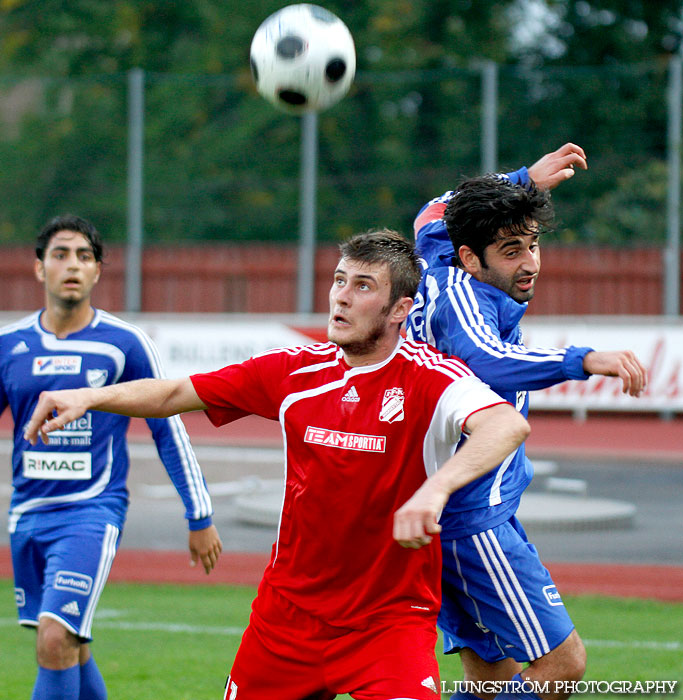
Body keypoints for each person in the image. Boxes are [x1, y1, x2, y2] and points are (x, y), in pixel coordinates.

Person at [25, 229, 530, 700]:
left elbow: (506, 426)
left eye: (362, 285)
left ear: (401, 308)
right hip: (287, 619)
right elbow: (177, 391)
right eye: (338, 280)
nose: (341, 296)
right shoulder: (294, 371)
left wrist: (434, 490)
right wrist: (88, 396)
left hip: (390, 625)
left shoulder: (432, 378)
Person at [406, 145, 647, 700]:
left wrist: (523, 181)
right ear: (471, 258)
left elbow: (431, 211)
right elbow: (489, 359)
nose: (531, 263)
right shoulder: (463, 299)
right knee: (562, 667)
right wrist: (583, 360)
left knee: (490, 682)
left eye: (533, 244)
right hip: (473, 520)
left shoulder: (441, 248)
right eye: (512, 250)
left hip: (460, 510)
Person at [0, 215, 223, 700]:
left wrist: (199, 512)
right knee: (73, 645)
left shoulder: (124, 344)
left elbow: (169, 429)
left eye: (84, 256)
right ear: (39, 269)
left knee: (55, 637)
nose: (72, 265)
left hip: (91, 512)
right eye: (60, 254)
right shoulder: (9, 347)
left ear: (99, 271)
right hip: (27, 515)